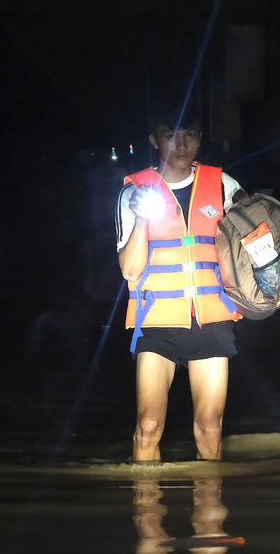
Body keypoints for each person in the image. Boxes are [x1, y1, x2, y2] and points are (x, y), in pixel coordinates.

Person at [116, 104, 243, 461]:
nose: (181, 144)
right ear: (155, 140)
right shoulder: (133, 193)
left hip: (211, 320)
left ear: (200, 139)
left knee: (210, 427)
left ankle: (210, 516)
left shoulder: (223, 185)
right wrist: (143, 217)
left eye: (189, 135)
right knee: (148, 427)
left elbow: (252, 243)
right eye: (172, 135)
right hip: (157, 320)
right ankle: (147, 515)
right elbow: (129, 270)